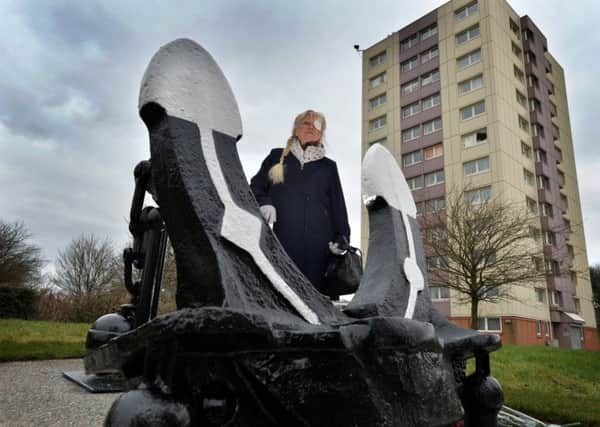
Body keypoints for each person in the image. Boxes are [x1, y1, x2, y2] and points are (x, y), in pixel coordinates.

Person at [250, 110, 351, 294]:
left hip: (320, 248)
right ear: (296, 129)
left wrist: (342, 238)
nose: (311, 127)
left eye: (317, 125)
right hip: (281, 242)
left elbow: (338, 206)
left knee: (314, 298)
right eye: (306, 123)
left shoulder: (329, 167)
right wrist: (264, 202)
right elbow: (256, 186)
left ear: (321, 133)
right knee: (282, 293)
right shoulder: (277, 157)